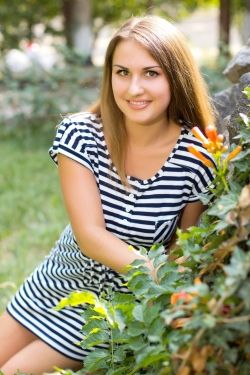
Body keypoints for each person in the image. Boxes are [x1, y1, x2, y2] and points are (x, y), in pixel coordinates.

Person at [0, 15, 216, 374]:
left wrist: (164, 294)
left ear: (176, 77)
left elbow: (184, 247)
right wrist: (157, 273)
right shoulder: (80, 134)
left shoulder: (197, 157)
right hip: (56, 283)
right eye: (122, 72)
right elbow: (90, 237)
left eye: (151, 73)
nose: (134, 89)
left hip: (113, 311)